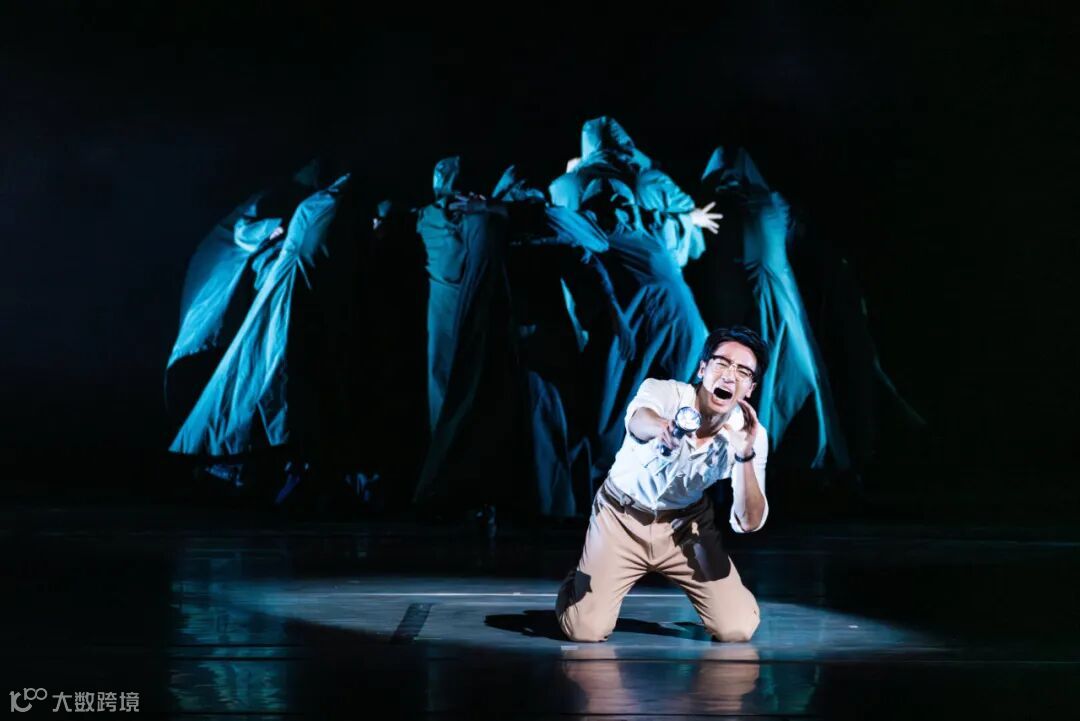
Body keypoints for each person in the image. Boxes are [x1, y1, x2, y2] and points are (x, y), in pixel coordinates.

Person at [556, 326, 770, 643]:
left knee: (736, 628)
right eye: (722, 363)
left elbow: (749, 522)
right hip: (620, 518)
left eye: (742, 372)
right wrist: (663, 428)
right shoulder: (665, 392)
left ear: (750, 388)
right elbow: (638, 421)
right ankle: (579, 582)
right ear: (702, 369)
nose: (729, 376)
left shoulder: (751, 435)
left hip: (685, 527)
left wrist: (744, 456)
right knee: (584, 629)